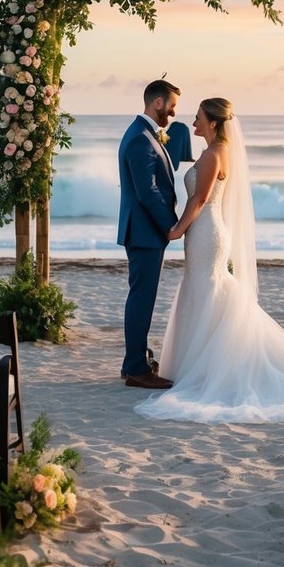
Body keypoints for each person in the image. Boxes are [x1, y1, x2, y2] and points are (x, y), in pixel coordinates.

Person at [135, 97, 284, 423]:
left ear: (212, 122)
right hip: (206, 231)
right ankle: (200, 365)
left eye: (198, 118)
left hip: (206, 232)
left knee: (207, 289)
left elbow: (201, 197)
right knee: (204, 290)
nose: (193, 123)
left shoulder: (212, 154)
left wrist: (178, 228)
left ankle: (208, 369)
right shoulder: (217, 151)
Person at [117, 79, 181, 389]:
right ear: (158, 103)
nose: (172, 112)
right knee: (141, 299)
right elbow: (148, 191)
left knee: (141, 297)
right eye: (171, 106)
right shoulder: (140, 139)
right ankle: (136, 369)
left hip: (144, 231)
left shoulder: (143, 135)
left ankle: (133, 361)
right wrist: (170, 225)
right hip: (144, 231)